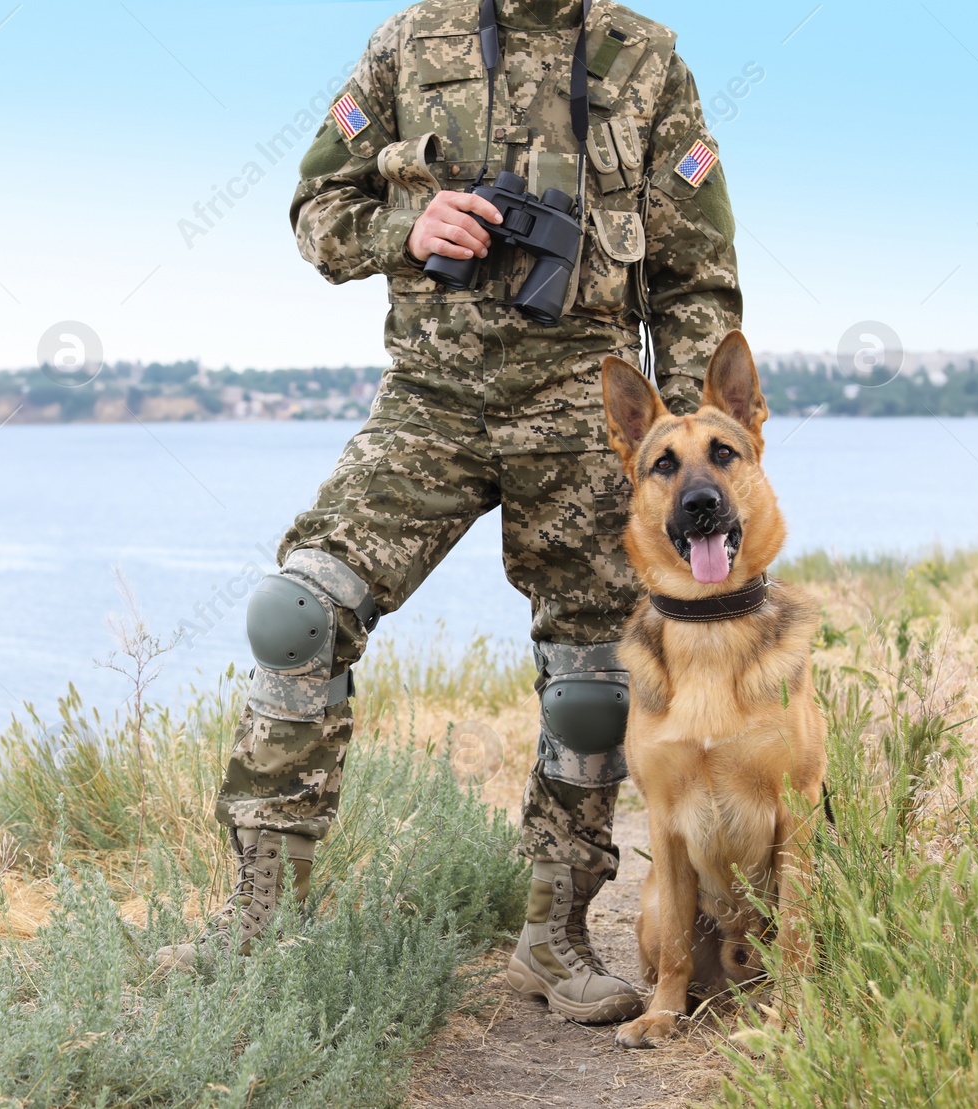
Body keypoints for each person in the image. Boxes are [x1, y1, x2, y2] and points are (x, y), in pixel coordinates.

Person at [157, 0, 739, 1025]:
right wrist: (405, 224)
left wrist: (693, 463)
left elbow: (695, 281)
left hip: (584, 408)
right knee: (297, 612)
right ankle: (261, 923)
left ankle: (554, 936)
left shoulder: (645, 60)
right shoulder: (405, 42)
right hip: (429, 399)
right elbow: (315, 214)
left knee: (593, 683)